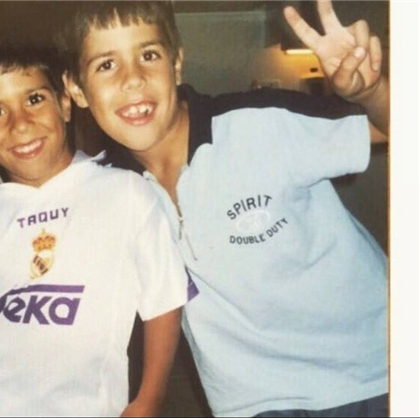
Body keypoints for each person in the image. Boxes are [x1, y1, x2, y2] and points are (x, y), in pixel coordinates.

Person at [56, 0, 389, 416]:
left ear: (177, 65)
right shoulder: (107, 189)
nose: (133, 78)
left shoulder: (260, 123)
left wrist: (373, 92)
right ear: (75, 89)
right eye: (106, 65)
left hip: (377, 369)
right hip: (252, 402)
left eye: (149, 55)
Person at [0, 34, 194, 417]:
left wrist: (149, 399)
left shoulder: (127, 194)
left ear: (65, 104)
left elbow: (164, 297)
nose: (20, 124)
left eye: (34, 99)